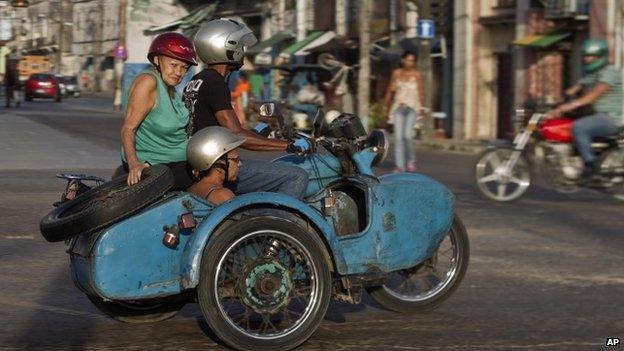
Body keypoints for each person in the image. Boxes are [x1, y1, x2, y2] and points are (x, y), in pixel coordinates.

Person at [183, 19, 310, 200]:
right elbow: (235, 133)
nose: (242, 52)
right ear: (225, 47)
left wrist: (257, 131)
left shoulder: (196, 81)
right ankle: (273, 224)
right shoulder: (216, 83)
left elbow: (212, 125)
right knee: (297, 175)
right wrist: (289, 146)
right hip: (218, 165)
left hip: (203, 162)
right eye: (239, 46)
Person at [121, 32, 198, 190]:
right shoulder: (148, 82)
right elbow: (128, 129)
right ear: (157, 60)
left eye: (184, 67)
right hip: (156, 165)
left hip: (177, 162)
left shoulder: (171, 89)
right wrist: (134, 164)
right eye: (173, 65)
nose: (178, 72)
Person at [546, 39, 623, 181]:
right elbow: (575, 89)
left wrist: (569, 106)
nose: (587, 59)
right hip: (600, 116)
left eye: (591, 56)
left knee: (580, 126)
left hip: (614, 118)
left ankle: (590, 165)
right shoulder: (592, 73)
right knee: (567, 125)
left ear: (601, 56)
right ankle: (573, 160)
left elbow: (593, 96)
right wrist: (555, 102)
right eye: (586, 56)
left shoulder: (610, 72)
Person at [383, 51, 427, 173]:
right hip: (398, 108)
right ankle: (399, 165)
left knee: (407, 136)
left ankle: (410, 160)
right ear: (403, 60)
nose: (410, 63)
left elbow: (421, 92)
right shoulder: (396, 73)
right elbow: (390, 91)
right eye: (408, 60)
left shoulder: (417, 75)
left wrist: (423, 108)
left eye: (412, 60)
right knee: (398, 137)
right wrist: (385, 107)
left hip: (413, 108)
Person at [187, 126, 245, 205]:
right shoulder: (223, 196)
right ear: (219, 166)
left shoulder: (191, 189)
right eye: (236, 159)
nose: (240, 164)